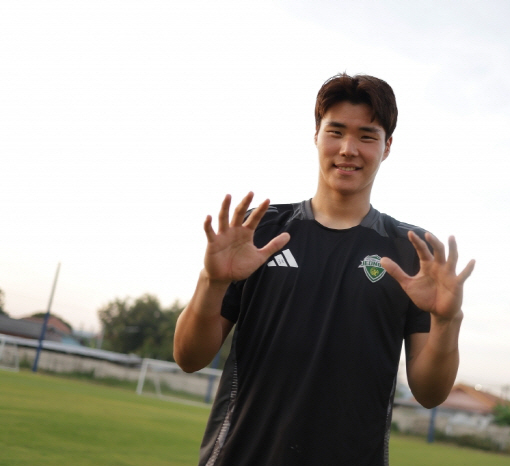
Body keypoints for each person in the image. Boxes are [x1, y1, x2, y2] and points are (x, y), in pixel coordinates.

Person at [173, 73, 475, 466]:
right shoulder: (259, 232)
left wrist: (447, 322)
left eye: (367, 136)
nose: (349, 149)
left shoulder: (412, 252)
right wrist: (211, 282)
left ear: (387, 147)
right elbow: (188, 358)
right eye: (336, 131)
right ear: (316, 135)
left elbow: (430, 393)